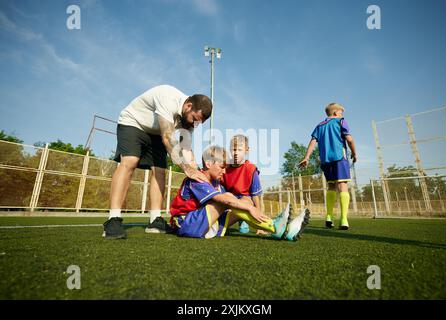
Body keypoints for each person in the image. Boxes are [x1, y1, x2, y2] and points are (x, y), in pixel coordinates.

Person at [103, 84, 212, 239]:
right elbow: (167, 137)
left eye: (198, 123)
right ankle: (112, 219)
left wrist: (198, 173)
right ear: (188, 106)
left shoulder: (189, 122)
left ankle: (155, 220)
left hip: (155, 133)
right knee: (130, 161)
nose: (194, 124)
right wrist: (186, 169)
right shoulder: (168, 97)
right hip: (133, 123)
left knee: (160, 170)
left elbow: (186, 149)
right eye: (194, 119)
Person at [170, 145, 310, 241]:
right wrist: (250, 207)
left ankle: (283, 231)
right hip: (186, 225)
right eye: (221, 167)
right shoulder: (197, 179)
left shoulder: (216, 184)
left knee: (241, 199)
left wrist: (247, 202)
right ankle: (275, 226)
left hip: (204, 225)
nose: (224, 171)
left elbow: (231, 199)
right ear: (208, 164)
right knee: (226, 200)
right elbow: (223, 200)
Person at [299, 102, 357, 230]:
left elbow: (313, 141)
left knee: (331, 186)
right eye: (341, 112)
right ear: (336, 112)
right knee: (343, 186)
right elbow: (349, 139)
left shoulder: (320, 125)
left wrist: (306, 157)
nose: (342, 114)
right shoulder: (341, 121)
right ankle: (343, 220)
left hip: (325, 160)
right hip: (339, 158)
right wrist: (354, 153)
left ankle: (329, 218)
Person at [221, 134, 265, 234]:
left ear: (247, 150)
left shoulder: (251, 169)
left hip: (246, 201)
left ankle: (239, 220)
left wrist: (260, 225)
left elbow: (255, 197)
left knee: (246, 200)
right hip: (230, 201)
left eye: (239, 150)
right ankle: (221, 223)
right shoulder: (224, 168)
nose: (236, 153)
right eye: (233, 149)